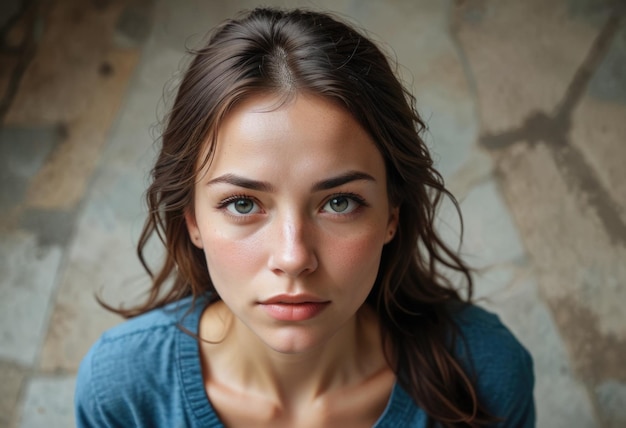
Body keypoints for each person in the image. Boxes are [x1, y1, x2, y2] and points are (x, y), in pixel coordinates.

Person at [75, 7, 534, 428]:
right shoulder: (122, 392)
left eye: (339, 202)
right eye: (242, 204)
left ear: (392, 213)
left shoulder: (485, 376)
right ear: (191, 219)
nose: (293, 258)